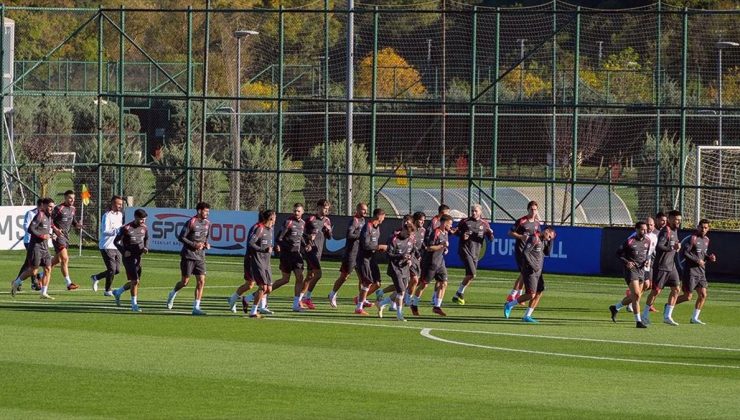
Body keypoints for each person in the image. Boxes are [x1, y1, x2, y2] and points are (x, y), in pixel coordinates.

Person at [166, 202, 211, 315]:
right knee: (185, 282)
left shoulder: (208, 223)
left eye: (208, 211)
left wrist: (206, 244)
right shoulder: (191, 222)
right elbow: (181, 237)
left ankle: (196, 307)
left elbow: (205, 238)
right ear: (199, 211)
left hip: (200, 257)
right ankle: (172, 293)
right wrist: (194, 245)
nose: (207, 213)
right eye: (205, 211)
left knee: (201, 281)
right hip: (188, 255)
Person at [228, 210, 276, 317]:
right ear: (270, 217)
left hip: (266, 262)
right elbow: (251, 243)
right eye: (274, 216)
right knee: (254, 285)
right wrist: (262, 250)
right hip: (254, 260)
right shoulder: (258, 228)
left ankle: (248, 300)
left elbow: (266, 245)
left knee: (267, 288)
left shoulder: (270, 229)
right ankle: (253, 309)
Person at [503, 226, 556, 323]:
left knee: (539, 292)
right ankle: (509, 305)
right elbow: (525, 253)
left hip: (538, 271)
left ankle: (527, 316)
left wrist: (551, 240)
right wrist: (532, 266)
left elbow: (547, 252)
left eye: (550, 238)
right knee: (531, 295)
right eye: (549, 237)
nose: (549, 239)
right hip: (530, 270)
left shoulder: (543, 240)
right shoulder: (534, 238)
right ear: (546, 231)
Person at [643, 209, 682, 326]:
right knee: (656, 291)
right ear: (670, 219)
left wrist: (677, 246)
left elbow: (674, 245)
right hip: (661, 266)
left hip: (671, 266)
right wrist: (672, 248)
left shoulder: (675, 231)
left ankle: (667, 316)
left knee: (676, 289)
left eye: (679, 220)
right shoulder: (666, 231)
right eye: (676, 219)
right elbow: (659, 246)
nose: (678, 222)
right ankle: (644, 315)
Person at [11, 198, 55, 299]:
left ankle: (43, 292)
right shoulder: (40, 215)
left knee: (48, 268)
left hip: (45, 247)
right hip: (35, 247)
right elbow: (31, 229)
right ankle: (16, 282)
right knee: (33, 271)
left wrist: (52, 235)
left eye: (52, 207)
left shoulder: (50, 217)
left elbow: (46, 230)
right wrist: (42, 236)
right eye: (49, 206)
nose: (51, 209)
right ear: (43, 206)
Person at [609, 221, 651, 328]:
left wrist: (646, 261)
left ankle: (616, 307)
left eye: (646, 229)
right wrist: (627, 262)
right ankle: (638, 321)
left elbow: (646, 254)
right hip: (631, 270)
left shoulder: (647, 241)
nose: (645, 231)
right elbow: (618, 254)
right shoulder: (630, 241)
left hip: (641, 270)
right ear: (636, 230)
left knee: (636, 296)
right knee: (636, 294)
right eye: (642, 229)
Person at [675, 219, 716, 325]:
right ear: (698, 227)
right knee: (687, 297)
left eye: (706, 227)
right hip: (691, 272)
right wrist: (697, 260)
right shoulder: (693, 238)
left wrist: (709, 257)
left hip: (701, 272)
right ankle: (669, 305)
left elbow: (703, 255)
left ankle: (694, 318)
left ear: (708, 229)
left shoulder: (706, 240)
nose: (703, 229)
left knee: (703, 295)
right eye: (702, 227)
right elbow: (685, 253)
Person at [411, 214, 453, 317]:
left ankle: (437, 307)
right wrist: (442, 245)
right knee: (424, 284)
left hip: (440, 262)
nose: (451, 226)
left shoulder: (446, 233)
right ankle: (414, 304)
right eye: (450, 224)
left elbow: (442, 246)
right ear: (444, 223)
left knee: (444, 283)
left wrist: (445, 249)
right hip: (431, 263)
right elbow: (429, 248)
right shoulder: (436, 232)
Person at [452, 204, 493, 305]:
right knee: (472, 273)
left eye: (476, 211)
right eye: (472, 211)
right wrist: (461, 235)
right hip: (465, 250)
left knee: (470, 276)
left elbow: (491, 238)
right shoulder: (465, 221)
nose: (474, 213)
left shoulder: (484, 224)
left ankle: (458, 294)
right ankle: (459, 293)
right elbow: (454, 231)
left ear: (480, 212)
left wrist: (490, 234)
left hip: (475, 252)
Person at [328, 202, 368, 308]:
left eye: (366, 209)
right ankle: (332, 294)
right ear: (358, 209)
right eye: (363, 209)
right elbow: (349, 235)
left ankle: (362, 300)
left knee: (363, 278)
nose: (365, 212)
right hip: (351, 253)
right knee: (344, 276)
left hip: (360, 253)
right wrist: (361, 235)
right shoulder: (354, 221)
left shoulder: (363, 220)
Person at [271, 203, 308, 312]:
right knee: (285, 279)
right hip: (286, 255)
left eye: (298, 211)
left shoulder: (303, 223)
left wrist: (306, 245)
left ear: (302, 212)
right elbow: (279, 238)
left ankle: (296, 304)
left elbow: (300, 238)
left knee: (300, 277)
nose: (296, 213)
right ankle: (264, 293)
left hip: (297, 256)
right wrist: (283, 246)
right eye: (295, 211)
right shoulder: (288, 222)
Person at [377, 220, 416, 321]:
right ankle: (399, 314)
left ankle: (381, 304)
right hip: (395, 268)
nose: (409, 236)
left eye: (410, 234)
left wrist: (410, 260)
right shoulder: (394, 239)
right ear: (403, 230)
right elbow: (388, 255)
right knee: (401, 292)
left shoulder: (411, 239)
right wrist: (401, 256)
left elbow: (412, 252)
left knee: (402, 290)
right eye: (407, 234)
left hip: (405, 268)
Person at [111, 209, 149, 312]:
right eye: (141, 219)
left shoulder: (144, 228)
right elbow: (115, 242)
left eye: (144, 219)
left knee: (136, 282)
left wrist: (145, 247)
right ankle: (134, 305)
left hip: (138, 257)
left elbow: (146, 239)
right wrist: (123, 251)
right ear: (135, 217)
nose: (143, 221)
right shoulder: (126, 228)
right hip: (128, 258)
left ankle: (118, 292)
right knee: (135, 281)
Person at [506, 201, 541, 304]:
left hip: (531, 253)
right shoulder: (522, 221)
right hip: (521, 251)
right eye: (532, 209)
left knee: (524, 273)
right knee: (524, 273)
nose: (533, 211)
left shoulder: (537, 222)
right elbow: (510, 232)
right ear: (528, 209)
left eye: (535, 209)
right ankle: (513, 295)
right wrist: (521, 236)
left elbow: (538, 236)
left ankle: (517, 295)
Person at [300, 199, 333, 309]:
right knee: (318, 274)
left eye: (327, 209)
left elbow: (329, 237)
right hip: (311, 251)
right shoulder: (310, 220)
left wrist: (328, 231)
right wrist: (306, 242)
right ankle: (306, 298)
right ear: (318, 207)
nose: (326, 210)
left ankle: (301, 299)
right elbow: (301, 234)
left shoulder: (327, 220)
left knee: (310, 276)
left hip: (318, 251)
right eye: (324, 208)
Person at [354, 208, 387, 316]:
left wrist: (379, 248)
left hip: (372, 258)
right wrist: (379, 247)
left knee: (377, 283)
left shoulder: (377, 228)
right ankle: (359, 307)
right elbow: (365, 245)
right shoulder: (367, 227)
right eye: (383, 216)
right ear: (379, 216)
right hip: (363, 258)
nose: (384, 219)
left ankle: (359, 298)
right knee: (367, 282)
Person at [91, 196, 124, 296]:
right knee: (112, 269)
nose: (120, 206)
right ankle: (107, 290)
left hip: (117, 246)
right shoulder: (107, 215)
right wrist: (117, 231)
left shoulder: (120, 215)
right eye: (118, 204)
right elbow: (105, 231)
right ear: (113, 204)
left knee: (117, 270)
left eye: (121, 204)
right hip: (106, 245)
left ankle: (96, 277)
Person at [50, 190, 81, 290]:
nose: (72, 200)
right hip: (58, 236)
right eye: (70, 198)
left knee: (57, 260)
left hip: (66, 237)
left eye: (73, 198)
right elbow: (49, 221)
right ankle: (68, 283)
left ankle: (40, 275)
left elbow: (74, 221)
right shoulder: (59, 208)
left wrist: (77, 225)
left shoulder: (72, 209)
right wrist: (55, 230)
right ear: (65, 197)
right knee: (65, 258)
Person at [15, 199, 44, 292]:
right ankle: (34, 283)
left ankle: (18, 282)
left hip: (39, 241)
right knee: (33, 262)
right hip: (29, 241)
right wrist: (37, 233)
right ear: (39, 206)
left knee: (29, 263)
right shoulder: (30, 213)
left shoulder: (45, 215)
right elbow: (26, 226)